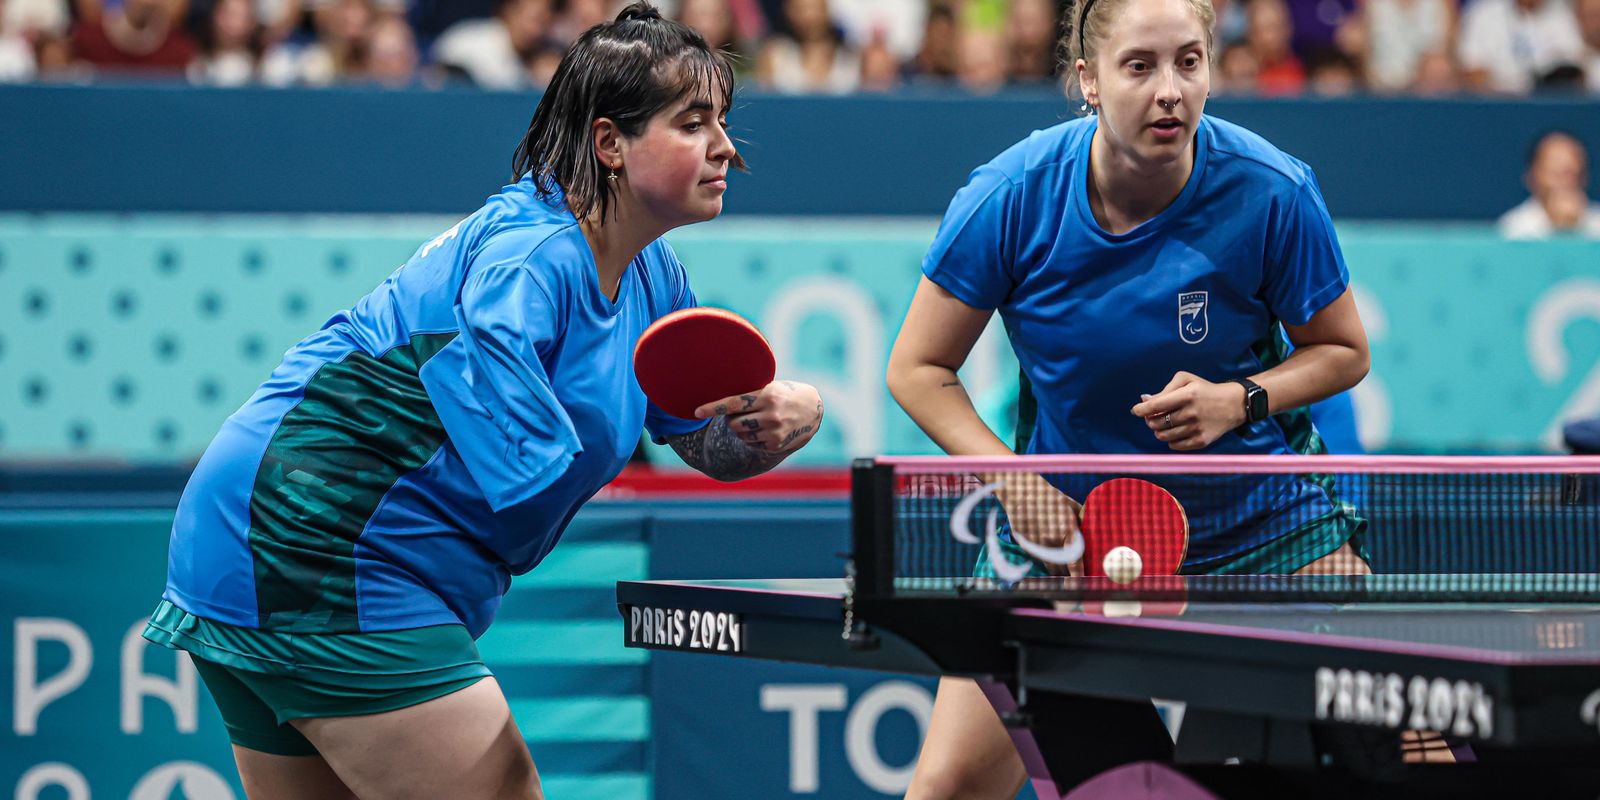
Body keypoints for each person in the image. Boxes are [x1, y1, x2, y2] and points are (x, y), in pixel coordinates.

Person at [140, 5, 824, 799]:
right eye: (693, 123)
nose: (726, 147)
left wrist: (787, 417)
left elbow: (705, 444)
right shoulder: (528, 260)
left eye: (724, 122)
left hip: (263, 534)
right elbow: (518, 463)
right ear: (610, 143)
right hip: (313, 540)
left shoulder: (653, 277)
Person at [885, 0, 1374, 794]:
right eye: (1140, 66)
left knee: (1401, 756)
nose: (1169, 89)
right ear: (1089, 79)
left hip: (1261, 530)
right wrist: (1011, 478)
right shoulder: (1013, 194)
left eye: (1189, 61)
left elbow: (1344, 350)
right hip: (1067, 537)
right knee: (946, 790)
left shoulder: (1271, 190)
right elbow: (917, 367)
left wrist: (1239, 399)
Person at [1498, 130, 1600, 238]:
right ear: (1532, 177)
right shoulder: (1512, 228)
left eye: (1571, 174)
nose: (1564, 184)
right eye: (1556, 174)